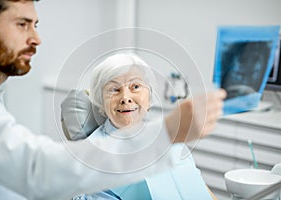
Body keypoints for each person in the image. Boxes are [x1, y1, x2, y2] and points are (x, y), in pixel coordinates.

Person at [0, 0, 226, 199]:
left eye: (136, 86)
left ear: (150, 97)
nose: (37, 38)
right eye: (22, 24)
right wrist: (168, 132)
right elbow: (35, 169)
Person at [63, 53, 218, 200]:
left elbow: (197, 183)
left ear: (149, 99)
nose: (125, 98)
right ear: (101, 105)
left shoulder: (168, 136)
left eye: (135, 86)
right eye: (114, 89)